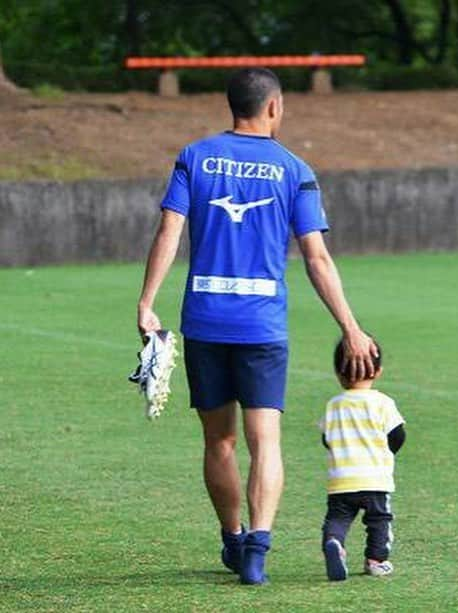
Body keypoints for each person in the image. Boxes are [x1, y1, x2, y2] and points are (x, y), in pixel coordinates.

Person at [136, 67, 377, 585]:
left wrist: (147, 302)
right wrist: (351, 327)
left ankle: (233, 537)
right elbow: (317, 258)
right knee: (264, 439)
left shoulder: (195, 157)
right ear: (273, 108)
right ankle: (258, 552)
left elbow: (169, 231)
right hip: (262, 325)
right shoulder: (294, 168)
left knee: (219, 442)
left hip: (204, 319)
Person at [320, 336, 406, 581]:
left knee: (337, 518)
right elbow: (397, 435)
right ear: (378, 371)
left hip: (341, 480)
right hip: (375, 479)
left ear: (338, 372)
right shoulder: (383, 403)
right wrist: (384, 453)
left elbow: (327, 438)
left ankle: (335, 542)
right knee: (379, 520)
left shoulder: (333, 405)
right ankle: (376, 560)